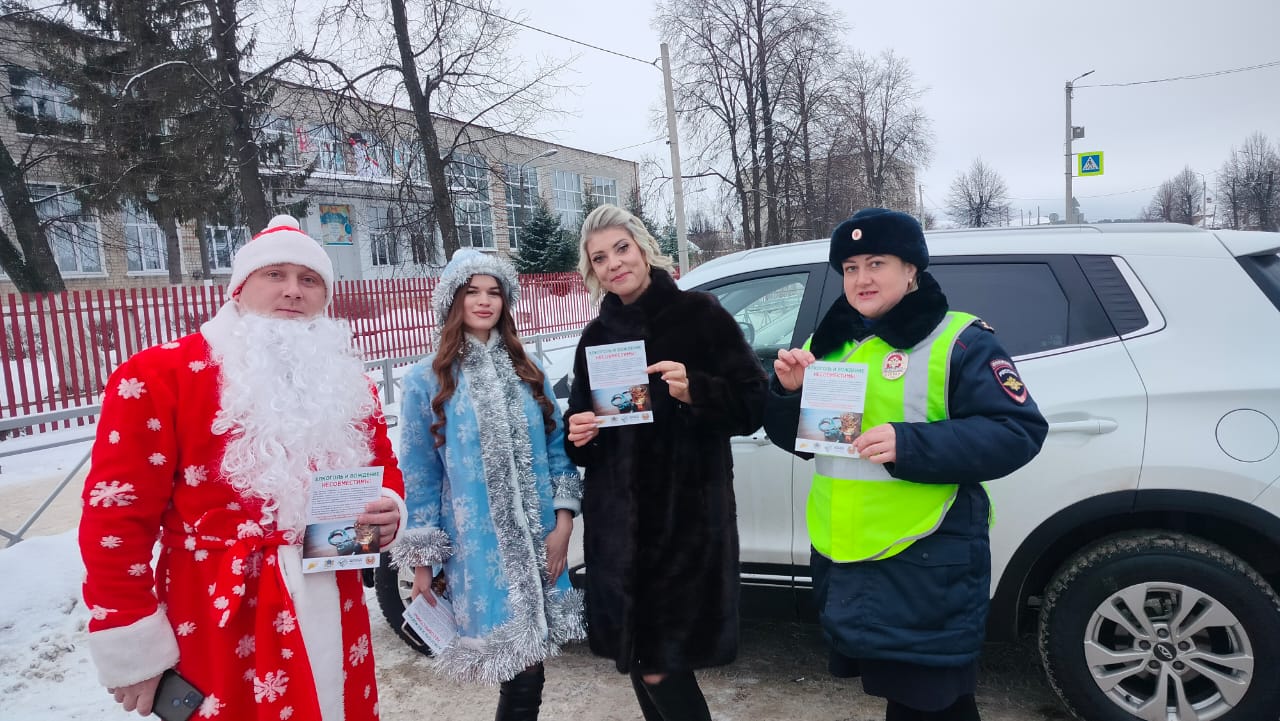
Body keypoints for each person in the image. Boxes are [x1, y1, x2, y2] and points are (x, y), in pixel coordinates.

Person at [78, 215, 406, 721]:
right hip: (217, 613)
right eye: (275, 274)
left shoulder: (348, 381)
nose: (293, 292)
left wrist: (388, 514)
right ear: (238, 287)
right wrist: (133, 644)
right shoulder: (158, 375)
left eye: (310, 280)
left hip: (333, 603)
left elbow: (382, 474)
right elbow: (115, 519)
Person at [764, 208, 1048, 721]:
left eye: (877, 263)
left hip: (927, 555)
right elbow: (804, 444)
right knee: (931, 702)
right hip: (848, 556)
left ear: (912, 269)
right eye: (850, 268)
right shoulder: (828, 346)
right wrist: (788, 394)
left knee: (926, 701)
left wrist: (909, 444)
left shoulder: (959, 340)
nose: (862, 278)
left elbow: (1018, 432)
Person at [564, 204, 767, 721]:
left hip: (684, 526)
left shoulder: (700, 315)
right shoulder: (595, 336)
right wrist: (580, 433)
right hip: (616, 531)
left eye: (621, 249)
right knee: (640, 662)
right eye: (600, 258)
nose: (614, 264)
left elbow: (751, 404)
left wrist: (695, 388)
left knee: (659, 665)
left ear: (643, 248)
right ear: (593, 271)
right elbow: (584, 427)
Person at [392, 250, 584, 720]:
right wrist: (422, 567)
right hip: (478, 552)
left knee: (531, 669)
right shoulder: (425, 380)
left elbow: (558, 452)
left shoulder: (527, 371)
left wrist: (562, 525)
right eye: (471, 291)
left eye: (494, 292)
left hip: (542, 543)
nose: (484, 302)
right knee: (518, 668)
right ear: (452, 301)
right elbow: (420, 478)